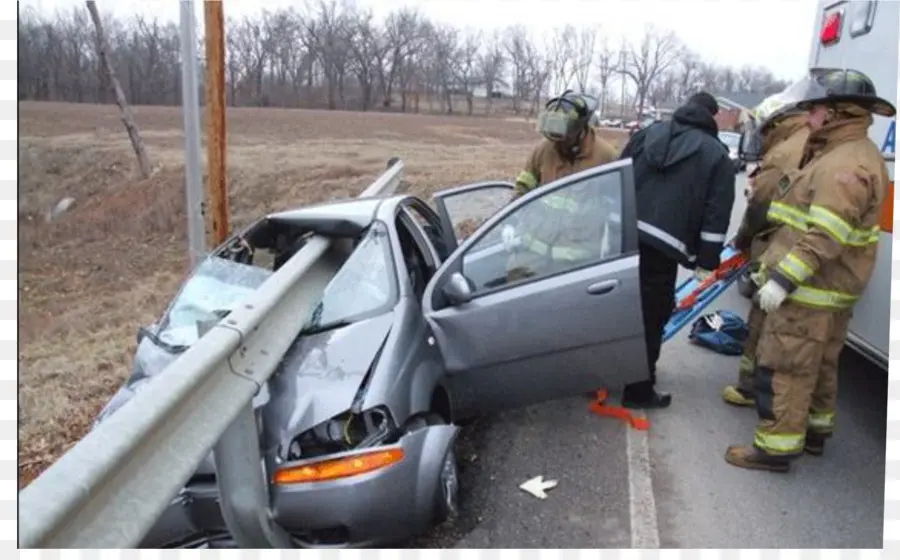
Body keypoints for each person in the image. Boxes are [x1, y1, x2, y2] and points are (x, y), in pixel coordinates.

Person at [725, 68, 894, 472]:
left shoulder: (843, 165)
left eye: (815, 108)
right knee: (820, 364)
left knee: (787, 367)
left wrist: (782, 279)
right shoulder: (846, 153)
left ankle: (774, 449)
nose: (807, 116)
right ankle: (816, 434)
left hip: (809, 288)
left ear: (835, 113)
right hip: (830, 289)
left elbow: (825, 234)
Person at [617, 91, 737, 409]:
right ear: (711, 116)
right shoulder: (716, 154)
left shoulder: (646, 135)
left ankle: (604, 372)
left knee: (616, 308)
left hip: (625, 235)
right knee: (651, 315)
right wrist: (707, 261)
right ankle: (638, 389)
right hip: (663, 248)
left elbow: (617, 175)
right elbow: (716, 212)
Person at [721, 83, 812, 408]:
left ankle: (751, 390)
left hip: (777, 251)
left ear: (775, 122)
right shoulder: (810, 142)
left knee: (762, 324)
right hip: (803, 256)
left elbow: (760, 205)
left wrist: (743, 240)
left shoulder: (784, 151)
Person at [503, 90, 619, 282]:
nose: (556, 141)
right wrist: (509, 223)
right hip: (532, 255)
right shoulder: (543, 149)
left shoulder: (605, 157)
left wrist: (613, 250)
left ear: (578, 129)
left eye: (562, 134)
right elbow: (522, 190)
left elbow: (617, 209)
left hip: (575, 264)